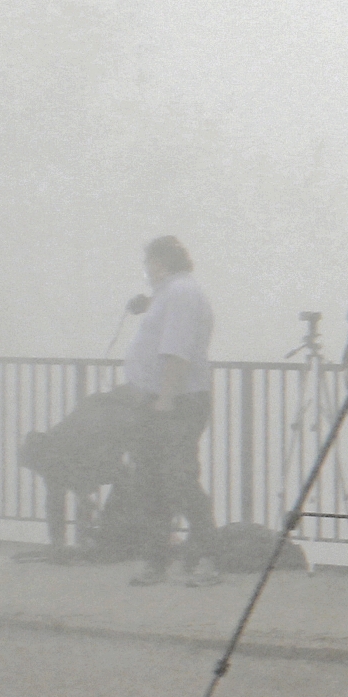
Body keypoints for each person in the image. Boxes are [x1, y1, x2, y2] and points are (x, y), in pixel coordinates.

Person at [124, 235, 220, 587]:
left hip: (176, 401)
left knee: (179, 479)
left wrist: (164, 398)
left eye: (149, 263)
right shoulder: (169, 294)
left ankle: (206, 557)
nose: (146, 271)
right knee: (151, 480)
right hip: (158, 399)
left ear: (160, 263)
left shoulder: (181, 294)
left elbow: (176, 350)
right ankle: (158, 559)